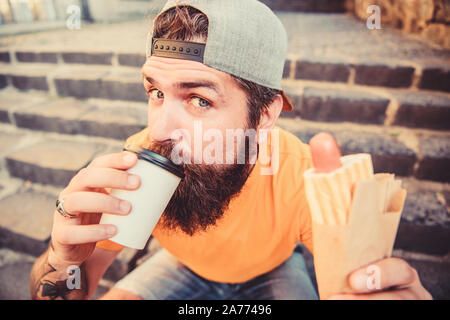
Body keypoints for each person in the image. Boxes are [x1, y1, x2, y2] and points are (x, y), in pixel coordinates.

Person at [30, 0, 432, 300]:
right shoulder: (141, 163)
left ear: (264, 115)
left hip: (273, 269)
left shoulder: (301, 174)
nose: (160, 129)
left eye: (199, 100)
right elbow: (69, 289)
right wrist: (63, 259)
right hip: (182, 267)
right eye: (155, 91)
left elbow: (353, 284)